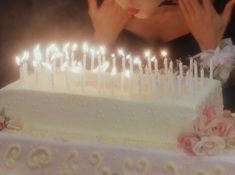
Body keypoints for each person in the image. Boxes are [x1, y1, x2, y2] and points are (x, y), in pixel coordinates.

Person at [87, 0, 235, 111]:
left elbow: (225, 106)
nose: (128, 2)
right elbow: (80, 98)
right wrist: (102, 39)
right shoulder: (91, 9)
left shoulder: (223, 12)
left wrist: (211, 47)